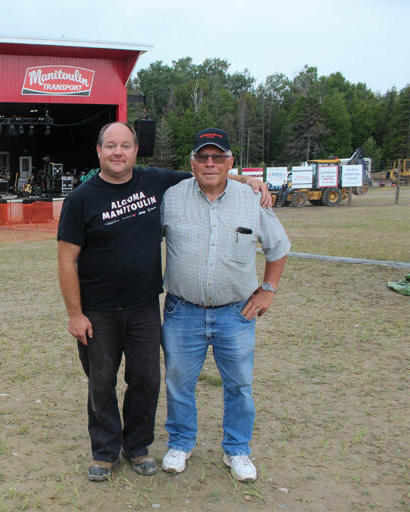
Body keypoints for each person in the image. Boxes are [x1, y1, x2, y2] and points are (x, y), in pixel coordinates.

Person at [57, 122, 271, 482]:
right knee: (101, 381)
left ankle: (138, 447)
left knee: (147, 380)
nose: (118, 152)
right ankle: (105, 452)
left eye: (125, 145)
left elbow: (207, 171)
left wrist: (248, 180)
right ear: (98, 151)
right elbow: (66, 259)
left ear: (136, 150)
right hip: (98, 310)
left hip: (144, 307)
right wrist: (75, 314)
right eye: (110, 146)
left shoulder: (154, 181)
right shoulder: (81, 199)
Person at [159, 128, 290, 483]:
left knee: (239, 385)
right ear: (192, 162)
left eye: (218, 157)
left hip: (236, 312)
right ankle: (181, 443)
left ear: (231, 162)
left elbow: (278, 247)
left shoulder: (251, 200)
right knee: (178, 381)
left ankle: (237, 450)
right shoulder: (171, 198)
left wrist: (268, 290)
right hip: (182, 311)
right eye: (203, 157)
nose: (210, 163)